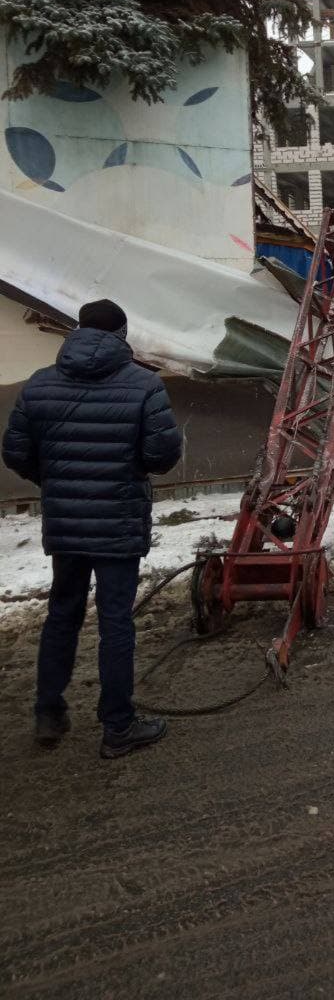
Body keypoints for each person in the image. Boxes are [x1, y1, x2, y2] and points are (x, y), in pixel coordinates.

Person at [2, 299, 182, 759]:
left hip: (66, 521)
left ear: (78, 331)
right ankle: (118, 728)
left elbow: (16, 451)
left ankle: (48, 712)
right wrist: (127, 474)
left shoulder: (40, 384)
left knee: (62, 613)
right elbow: (162, 454)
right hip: (117, 521)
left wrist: (57, 481)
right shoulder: (144, 385)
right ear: (122, 335)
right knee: (115, 621)